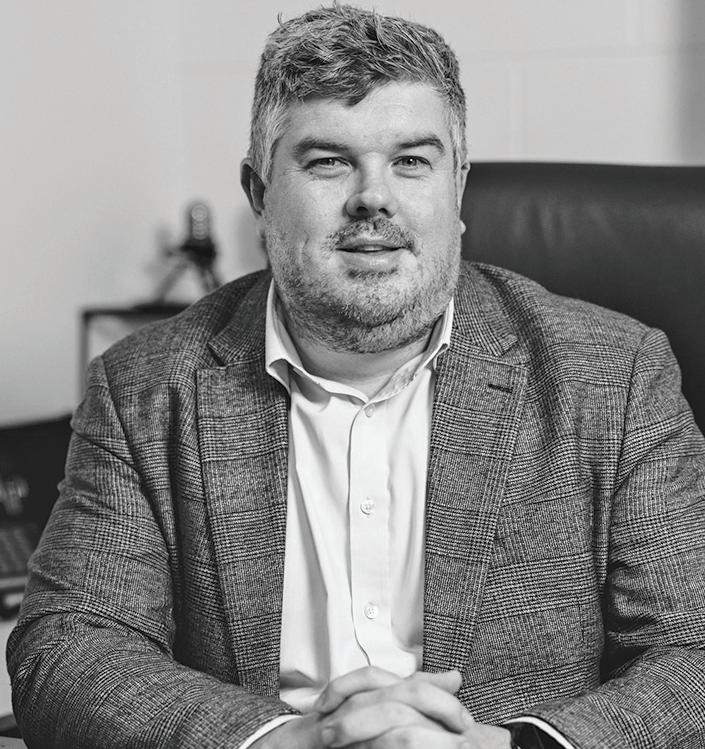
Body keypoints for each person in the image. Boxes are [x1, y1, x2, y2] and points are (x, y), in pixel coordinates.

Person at [7, 5, 705, 749]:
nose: (373, 198)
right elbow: (67, 645)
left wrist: (505, 747)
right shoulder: (144, 388)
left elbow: (690, 648)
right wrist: (284, 741)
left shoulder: (614, 375)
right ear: (258, 194)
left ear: (457, 187)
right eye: (328, 162)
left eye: (412, 161)